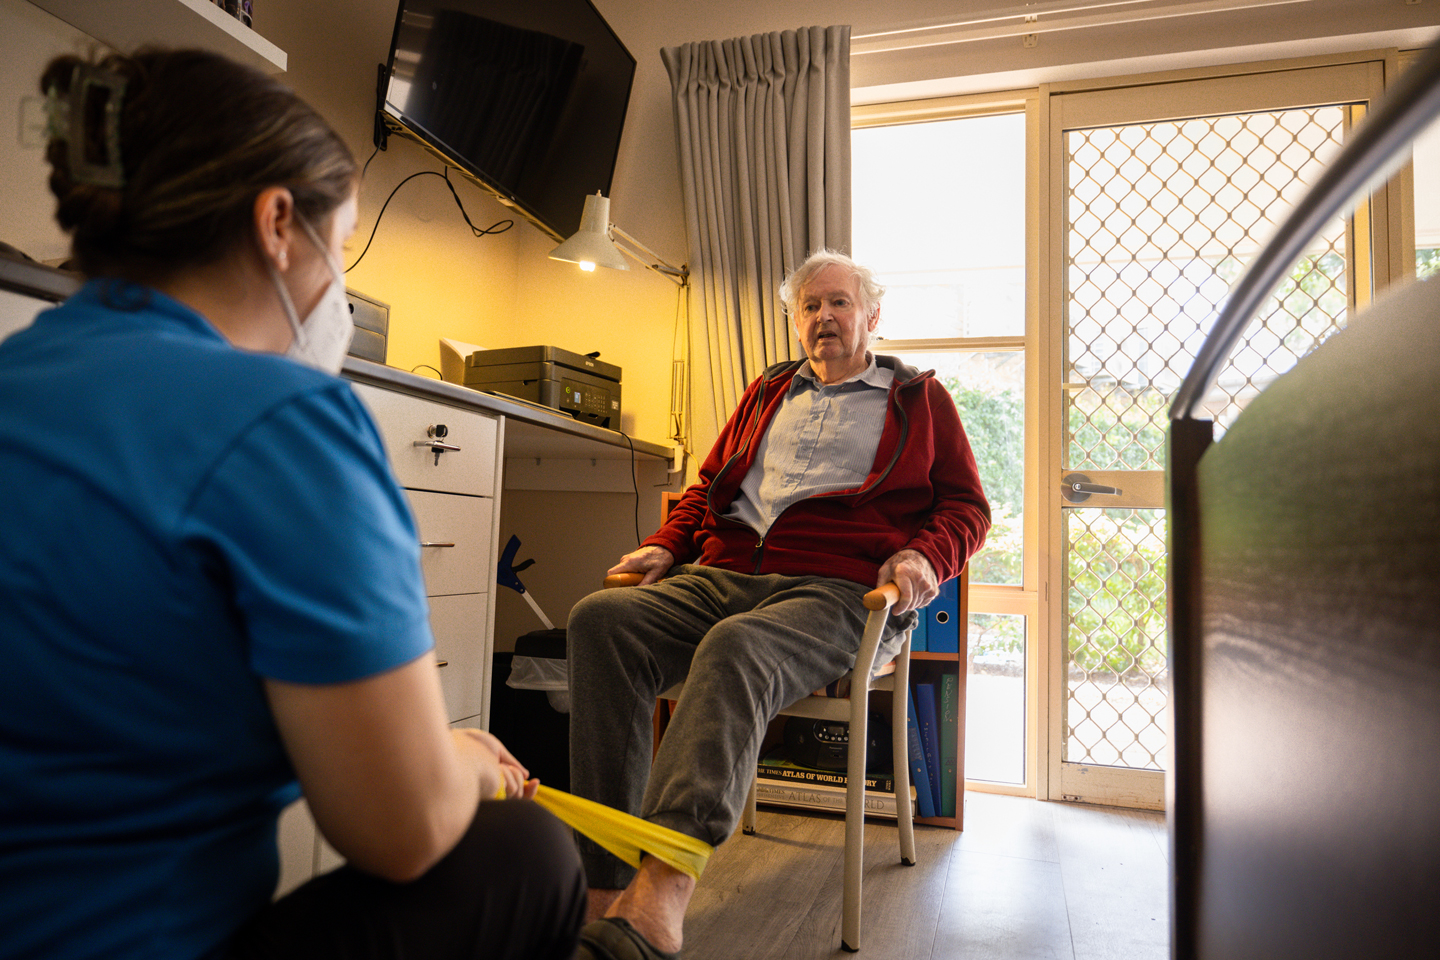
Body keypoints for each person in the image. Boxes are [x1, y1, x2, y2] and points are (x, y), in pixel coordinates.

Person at [0, 49, 583, 960]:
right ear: (277, 221)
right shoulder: (284, 418)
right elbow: (404, 832)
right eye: (341, 245)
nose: (337, 287)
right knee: (526, 855)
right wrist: (464, 760)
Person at [566, 249, 991, 959]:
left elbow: (968, 508)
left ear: (872, 316)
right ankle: (603, 885)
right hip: (724, 575)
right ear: (797, 323)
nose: (824, 317)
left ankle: (662, 893)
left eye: (839, 303)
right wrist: (669, 546)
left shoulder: (919, 399)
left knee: (737, 646)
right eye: (810, 307)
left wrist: (923, 556)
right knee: (599, 621)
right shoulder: (766, 393)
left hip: (838, 592)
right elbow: (708, 489)